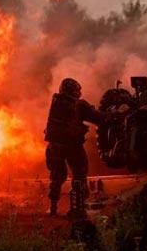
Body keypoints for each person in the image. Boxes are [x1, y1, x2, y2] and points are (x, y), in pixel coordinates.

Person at [44, 77, 105, 220]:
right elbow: (99, 118)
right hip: (72, 146)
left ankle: (53, 207)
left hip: (54, 146)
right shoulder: (80, 105)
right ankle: (78, 209)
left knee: (57, 176)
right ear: (75, 92)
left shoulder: (56, 102)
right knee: (79, 174)